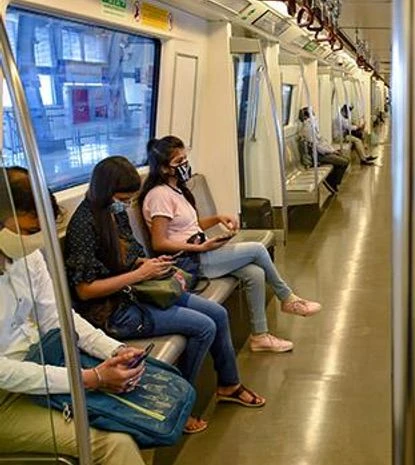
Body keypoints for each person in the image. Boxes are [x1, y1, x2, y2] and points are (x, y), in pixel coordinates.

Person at [64, 157, 266, 434]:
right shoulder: (83, 226)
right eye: (122, 199)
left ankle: (228, 384)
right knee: (203, 327)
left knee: (218, 314)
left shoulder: (114, 212)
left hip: (136, 292)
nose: (126, 204)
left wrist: (155, 267)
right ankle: (178, 405)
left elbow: (131, 256)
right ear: (106, 191)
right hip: (114, 312)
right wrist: (139, 275)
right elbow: (85, 290)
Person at [0, 166, 147, 465]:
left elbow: (58, 318)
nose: (35, 241)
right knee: (114, 442)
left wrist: (114, 350)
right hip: (7, 396)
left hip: (40, 364)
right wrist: (89, 378)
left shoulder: (27, 256)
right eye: (28, 231)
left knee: (136, 416)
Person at [139, 136, 321, 352]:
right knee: (257, 249)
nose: (185, 165)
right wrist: (200, 248)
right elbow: (159, 243)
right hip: (188, 261)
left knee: (255, 273)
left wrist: (217, 219)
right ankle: (287, 298)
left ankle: (260, 337)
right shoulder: (159, 196)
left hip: (200, 252)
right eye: (179, 162)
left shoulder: (177, 190)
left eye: (185, 159)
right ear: (164, 168)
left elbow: (188, 227)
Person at [298, 107, 350, 193]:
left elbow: (322, 141)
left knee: (345, 159)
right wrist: (331, 151)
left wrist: (332, 150)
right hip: (318, 155)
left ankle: (333, 181)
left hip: (323, 152)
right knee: (344, 162)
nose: (314, 116)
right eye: (312, 114)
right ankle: (332, 182)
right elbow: (316, 147)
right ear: (307, 116)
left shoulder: (313, 127)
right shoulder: (307, 129)